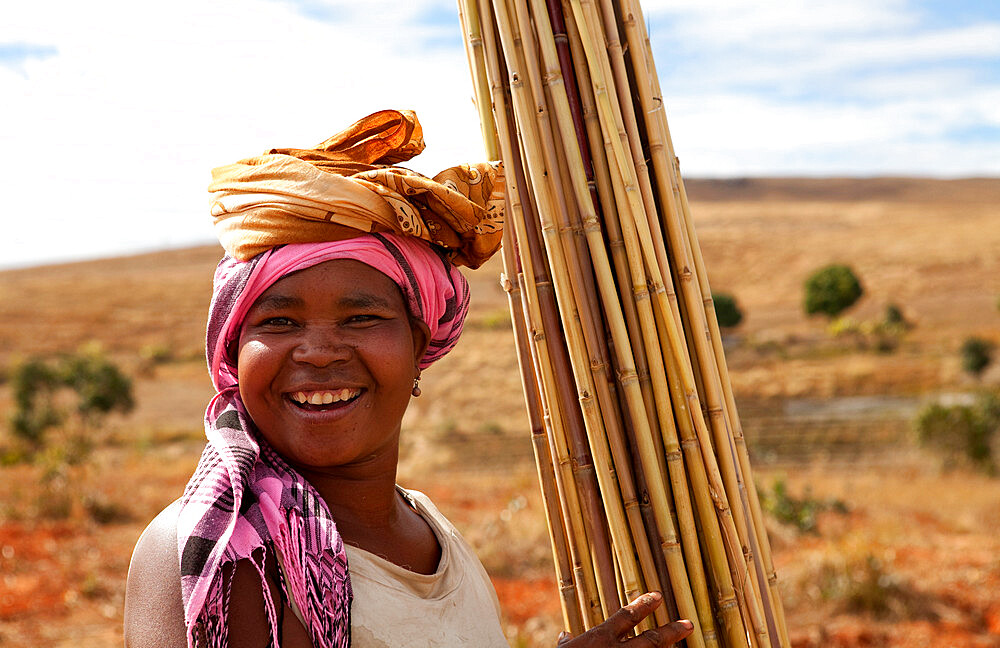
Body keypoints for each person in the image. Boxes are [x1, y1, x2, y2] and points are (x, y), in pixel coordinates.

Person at [123, 110, 694, 648]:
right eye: (278, 321)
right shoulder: (218, 550)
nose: (319, 352)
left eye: (362, 318)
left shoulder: (432, 530)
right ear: (232, 347)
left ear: (421, 345)